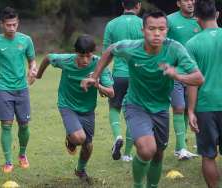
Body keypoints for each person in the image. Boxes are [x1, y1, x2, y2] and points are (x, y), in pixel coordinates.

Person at [81, 11, 204, 188]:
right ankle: (138, 185)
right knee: (147, 150)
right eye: (151, 28)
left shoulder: (175, 49)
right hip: (136, 106)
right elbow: (110, 50)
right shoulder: (131, 48)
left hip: (161, 108)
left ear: (167, 30)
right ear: (143, 30)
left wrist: (176, 75)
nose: (157, 33)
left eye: (161, 29)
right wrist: (95, 76)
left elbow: (198, 78)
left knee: (158, 154)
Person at [36, 34, 114, 179]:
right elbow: (47, 58)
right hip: (67, 105)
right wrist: (39, 75)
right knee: (79, 138)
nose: (85, 60)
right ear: (75, 52)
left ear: (93, 53)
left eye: (88, 56)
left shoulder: (99, 65)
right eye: (81, 56)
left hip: (88, 110)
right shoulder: (65, 60)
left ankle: (80, 170)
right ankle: (71, 137)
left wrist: (98, 86)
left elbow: (111, 93)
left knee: (88, 146)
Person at [0, 7, 37, 173]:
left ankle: (22, 154)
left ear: (18, 23)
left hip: (22, 88)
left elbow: (32, 61)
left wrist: (32, 70)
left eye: (14, 24)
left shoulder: (26, 40)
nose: (12, 28)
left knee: (24, 125)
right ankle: (8, 161)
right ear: (2, 24)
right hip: (4, 88)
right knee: (6, 125)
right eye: (8, 25)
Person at [186, 0, 222, 187]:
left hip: (206, 106)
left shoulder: (192, 44)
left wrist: (191, 110)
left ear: (197, 19)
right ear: (217, 15)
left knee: (208, 155)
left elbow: (192, 82)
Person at [102, 0, 143, 161]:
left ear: (122, 4)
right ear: (138, 5)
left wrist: (103, 78)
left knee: (114, 108)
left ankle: (117, 135)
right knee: (134, 113)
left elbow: (106, 53)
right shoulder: (143, 24)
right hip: (137, 75)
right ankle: (127, 154)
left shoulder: (111, 24)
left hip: (118, 74)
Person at [167, 0, 201, 160]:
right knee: (179, 108)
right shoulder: (170, 20)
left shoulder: (200, 20)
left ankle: (180, 147)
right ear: (178, 3)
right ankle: (181, 149)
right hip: (176, 74)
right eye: (186, 0)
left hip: (195, 74)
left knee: (189, 109)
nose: (190, 2)